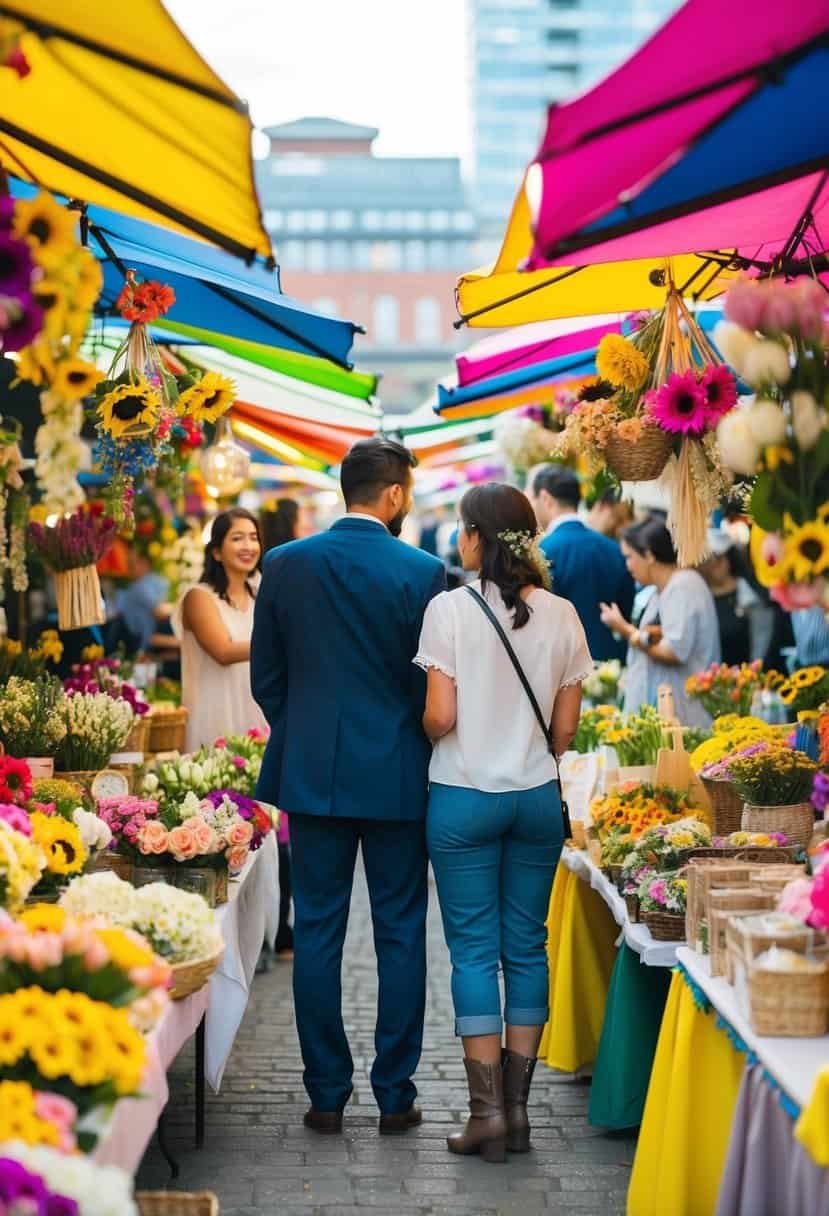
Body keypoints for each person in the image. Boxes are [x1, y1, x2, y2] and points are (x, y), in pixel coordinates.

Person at [251, 437, 446, 1135]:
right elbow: (429, 683)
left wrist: (303, 730)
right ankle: (395, 1095)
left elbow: (266, 676)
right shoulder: (424, 570)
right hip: (397, 771)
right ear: (393, 495)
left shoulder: (284, 563)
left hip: (313, 773)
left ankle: (325, 1094)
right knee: (400, 933)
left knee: (319, 932)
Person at [415, 483, 591, 1163]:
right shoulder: (565, 615)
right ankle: (517, 1115)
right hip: (534, 798)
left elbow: (439, 716)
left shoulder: (447, 610)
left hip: (461, 795)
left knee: (471, 953)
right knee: (526, 947)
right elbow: (564, 733)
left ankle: (484, 1113)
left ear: (472, 538)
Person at [599, 516, 720, 727]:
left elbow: (674, 651)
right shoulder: (661, 591)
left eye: (629, 557)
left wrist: (625, 630)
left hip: (686, 716)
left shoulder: (683, 586)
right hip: (673, 714)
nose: (627, 566)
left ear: (649, 554)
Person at [174, 509, 267, 752]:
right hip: (215, 712)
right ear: (216, 552)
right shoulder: (199, 597)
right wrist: (283, 642)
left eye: (253, 537)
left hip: (256, 710)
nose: (248, 546)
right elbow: (223, 651)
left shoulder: (262, 593)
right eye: (237, 538)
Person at [529, 465, 634, 662]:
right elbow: (626, 607)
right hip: (613, 661)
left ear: (545, 498)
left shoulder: (543, 552)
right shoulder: (613, 548)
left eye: (533, 500)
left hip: (566, 668)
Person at [110, 551, 168, 657]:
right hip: (142, 644)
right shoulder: (143, 585)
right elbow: (160, 612)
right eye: (128, 565)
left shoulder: (142, 585)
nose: (128, 569)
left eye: (132, 564)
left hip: (142, 643)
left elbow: (160, 613)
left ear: (144, 564)